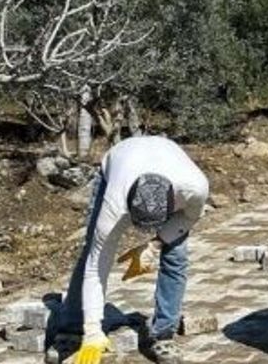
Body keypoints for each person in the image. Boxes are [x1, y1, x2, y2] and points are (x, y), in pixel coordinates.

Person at [56, 136, 210, 364]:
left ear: (172, 203)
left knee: (176, 255)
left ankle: (163, 334)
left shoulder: (195, 188)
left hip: (167, 156)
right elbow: (97, 265)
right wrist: (93, 330)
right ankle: (74, 328)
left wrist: (155, 244)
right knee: (92, 250)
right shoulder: (115, 202)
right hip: (119, 161)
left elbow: (188, 219)